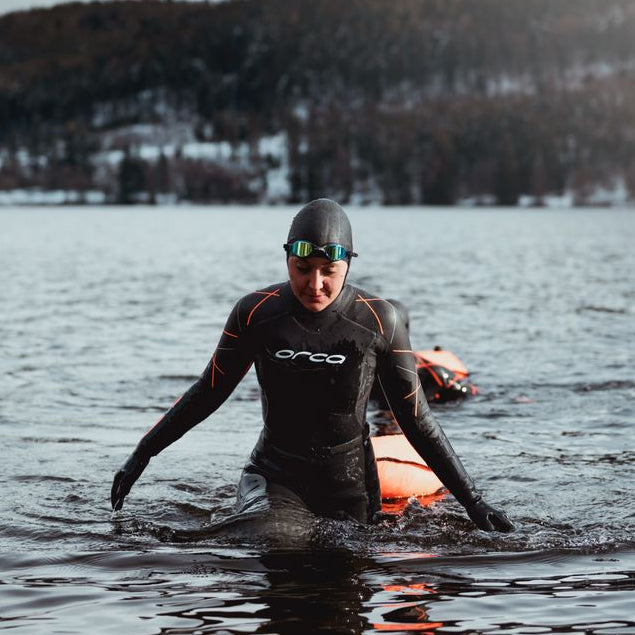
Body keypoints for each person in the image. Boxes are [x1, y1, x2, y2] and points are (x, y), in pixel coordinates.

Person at [111, 199, 513, 532]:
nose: (315, 284)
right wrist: (143, 453)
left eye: (329, 271)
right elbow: (208, 392)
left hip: (351, 486)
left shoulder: (378, 321)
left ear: (348, 264)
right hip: (275, 477)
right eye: (303, 269)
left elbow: (417, 419)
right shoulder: (256, 313)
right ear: (288, 258)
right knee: (280, 539)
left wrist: (473, 501)